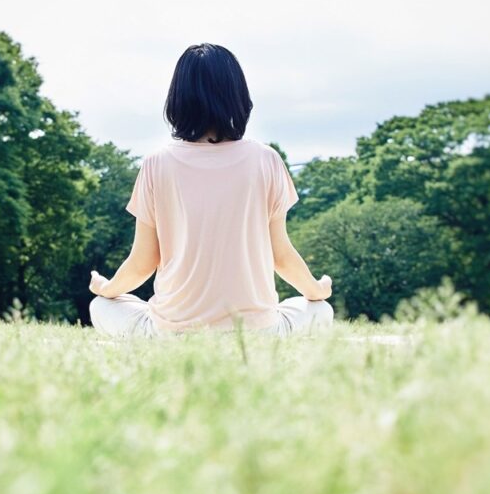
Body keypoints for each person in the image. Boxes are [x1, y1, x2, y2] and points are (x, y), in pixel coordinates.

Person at [88, 43, 334, 338]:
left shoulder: (157, 163)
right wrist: (316, 290)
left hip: (173, 335)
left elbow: (142, 263)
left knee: (101, 306)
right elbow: (281, 255)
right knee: (320, 310)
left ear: (177, 99)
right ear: (238, 96)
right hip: (257, 334)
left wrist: (106, 288)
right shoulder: (266, 159)